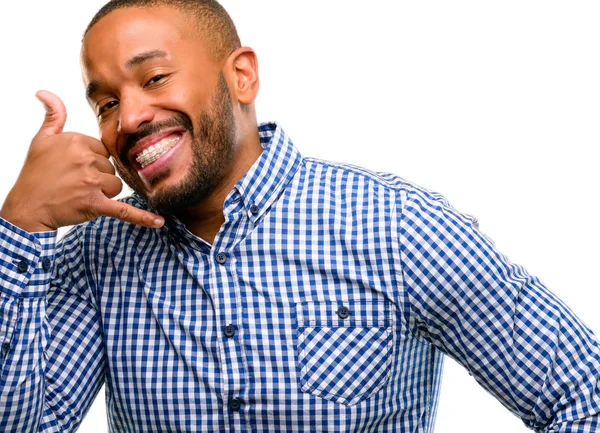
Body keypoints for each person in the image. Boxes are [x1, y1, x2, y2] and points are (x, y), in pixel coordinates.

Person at [0, 0, 598, 432]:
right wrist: (20, 225)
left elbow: (581, 397)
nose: (128, 119)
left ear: (242, 75)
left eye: (154, 78)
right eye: (105, 102)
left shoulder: (395, 226)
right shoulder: (96, 251)